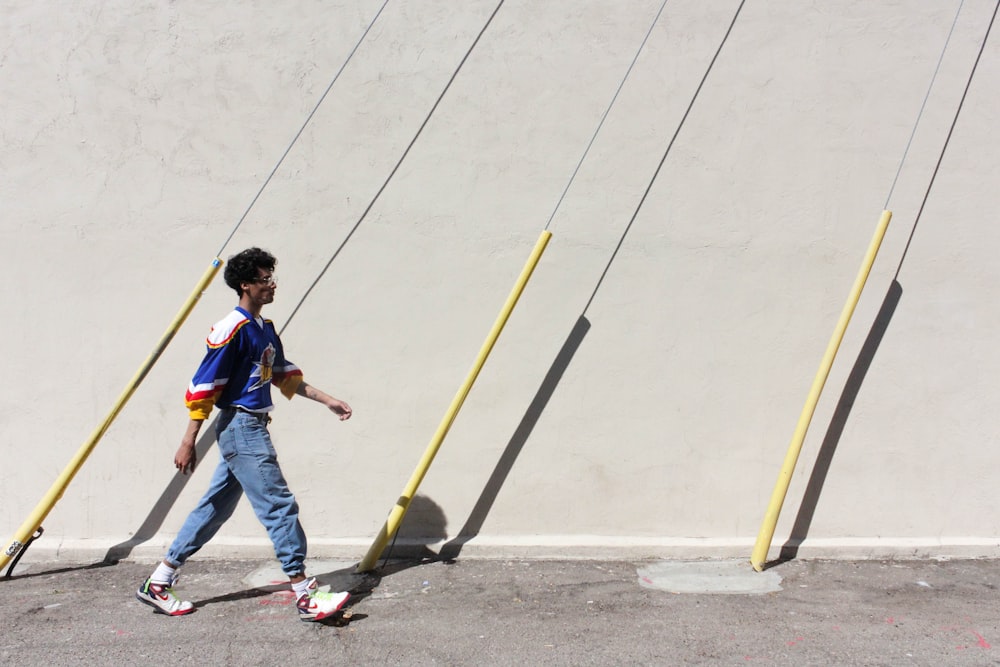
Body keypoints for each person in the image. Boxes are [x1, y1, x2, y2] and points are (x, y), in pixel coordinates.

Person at [135, 247, 353, 622]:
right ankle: (305, 594)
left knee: (213, 508)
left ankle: (158, 582)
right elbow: (205, 385)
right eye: (265, 279)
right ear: (245, 285)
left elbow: (284, 375)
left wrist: (327, 400)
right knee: (279, 504)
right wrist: (189, 439)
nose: (272, 285)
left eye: (272, 277)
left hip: (249, 427)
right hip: (241, 426)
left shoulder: (264, 330)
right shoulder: (230, 329)